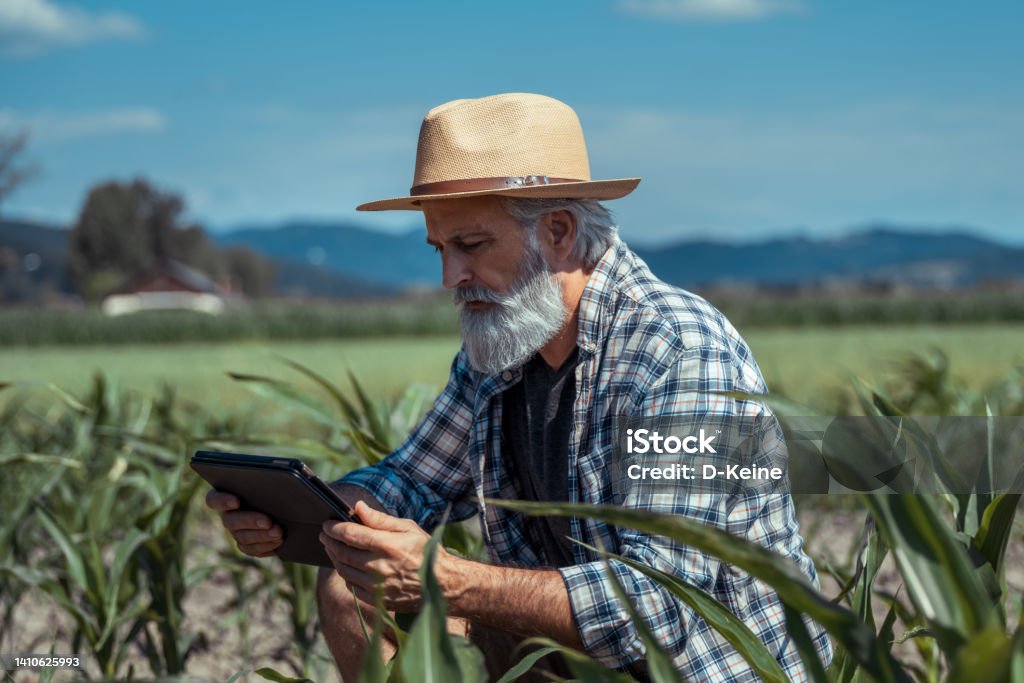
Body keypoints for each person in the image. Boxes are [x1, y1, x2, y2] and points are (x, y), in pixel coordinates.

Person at [206, 92, 833, 681]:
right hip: (567, 655)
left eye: (471, 244)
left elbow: (661, 608)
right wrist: (311, 512)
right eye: (439, 249)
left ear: (558, 232)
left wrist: (446, 578)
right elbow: (412, 480)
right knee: (349, 581)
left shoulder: (676, 352)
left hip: (698, 666)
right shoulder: (502, 345)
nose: (452, 275)